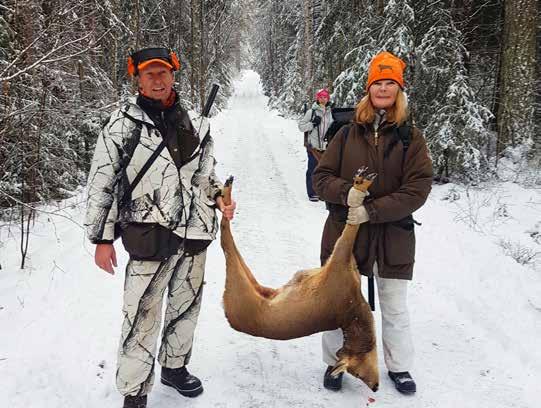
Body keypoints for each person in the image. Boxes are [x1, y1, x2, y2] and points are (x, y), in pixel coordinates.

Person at [84, 47, 236, 408]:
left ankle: (174, 366)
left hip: (195, 230)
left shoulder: (196, 122)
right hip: (149, 233)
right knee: (141, 315)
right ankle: (135, 391)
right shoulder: (121, 124)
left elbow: (203, 174)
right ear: (137, 78)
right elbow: (103, 182)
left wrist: (219, 197)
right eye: (149, 73)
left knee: (186, 306)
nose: (157, 79)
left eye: (163, 72)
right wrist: (102, 239)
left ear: (173, 74)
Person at [312, 51, 433, 395]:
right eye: (377, 83)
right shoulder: (346, 134)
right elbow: (321, 178)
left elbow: (418, 189)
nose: (383, 89)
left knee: (394, 307)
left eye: (389, 83)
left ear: (398, 90)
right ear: (368, 89)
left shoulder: (411, 138)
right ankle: (335, 362)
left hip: (393, 236)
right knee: (338, 303)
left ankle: (399, 367)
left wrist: (373, 210)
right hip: (345, 234)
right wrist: (346, 193)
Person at [298, 88, 334, 201]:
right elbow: (301, 126)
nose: (323, 99)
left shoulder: (331, 112)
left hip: (327, 147)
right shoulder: (311, 112)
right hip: (313, 147)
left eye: (325, 97)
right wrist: (313, 123)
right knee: (313, 169)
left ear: (328, 98)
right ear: (317, 99)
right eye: (321, 97)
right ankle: (312, 193)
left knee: (326, 171)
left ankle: (322, 192)